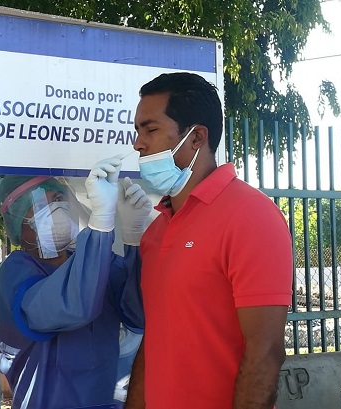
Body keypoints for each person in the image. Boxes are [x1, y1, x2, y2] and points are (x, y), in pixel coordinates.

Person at [124, 72, 293, 409]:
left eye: (150, 129)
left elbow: (265, 351)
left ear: (196, 136)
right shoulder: (156, 234)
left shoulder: (251, 217)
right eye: (138, 131)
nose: (138, 143)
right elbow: (153, 343)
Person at [0, 165, 151, 409]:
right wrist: (100, 224)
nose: (56, 210)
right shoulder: (15, 273)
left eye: (57, 199)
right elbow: (71, 306)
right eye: (40, 207)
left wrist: (133, 238)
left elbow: (138, 314)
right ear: (18, 226)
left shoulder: (93, 261)